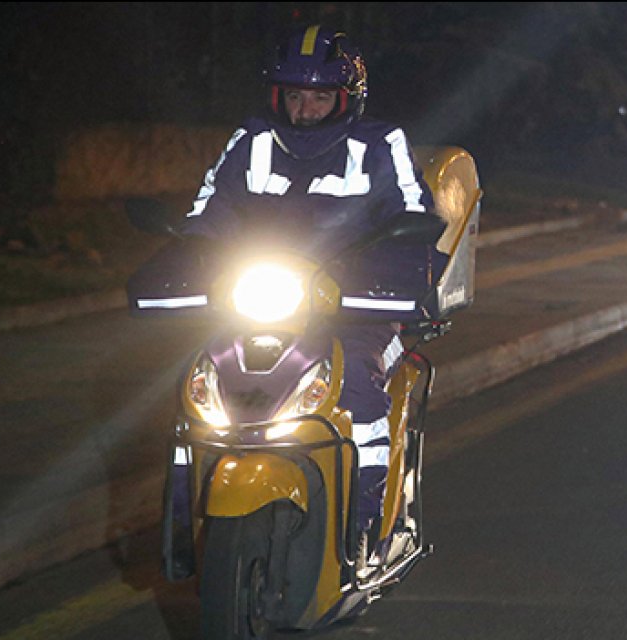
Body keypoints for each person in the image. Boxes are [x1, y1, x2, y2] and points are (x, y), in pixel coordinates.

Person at [180, 24, 443, 555]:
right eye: (294, 96)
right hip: (264, 302)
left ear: (346, 99)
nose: (305, 109)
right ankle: (190, 525)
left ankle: (363, 528)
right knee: (199, 388)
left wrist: (404, 279)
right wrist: (187, 257)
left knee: (361, 388)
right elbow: (207, 210)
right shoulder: (251, 140)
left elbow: (416, 216)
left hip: (358, 309)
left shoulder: (379, 144)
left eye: (321, 97)